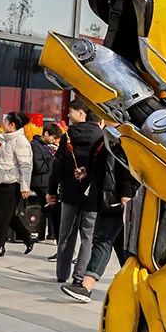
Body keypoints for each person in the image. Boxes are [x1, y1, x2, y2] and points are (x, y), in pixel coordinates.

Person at [61, 125, 136, 303]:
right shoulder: (105, 138)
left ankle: (86, 286)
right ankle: (137, 287)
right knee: (122, 248)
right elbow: (100, 166)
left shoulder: (124, 136)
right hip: (105, 197)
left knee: (102, 240)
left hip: (116, 199)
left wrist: (126, 193)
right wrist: (85, 172)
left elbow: (127, 166)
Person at [48, 100, 103, 282]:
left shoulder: (68, 135)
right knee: (88, 236)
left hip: (69, 192)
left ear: (82, 113)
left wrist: (51, 190)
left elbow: (57, 165)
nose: (69, 114)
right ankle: (79, 276)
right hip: (91, 194)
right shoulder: (100, 136)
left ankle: (61, 274)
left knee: (66, 234)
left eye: (71, 111)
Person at [0, 112, 36, 258]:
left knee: (3, 216)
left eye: (6, 122)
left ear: (12, 125)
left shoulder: (20, 141)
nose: (3, 124)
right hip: (4, 181)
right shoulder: (8, 141)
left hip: (13, 184)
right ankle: (27, 237)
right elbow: (8, 162)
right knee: (5, 213)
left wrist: (25, 187)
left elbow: (26, 166)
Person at [29, 123, 61, 239]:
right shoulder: (35, 145)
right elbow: (39, 167)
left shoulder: (46, 146)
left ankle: (48, 234)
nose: (54, 141)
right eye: (53, 137)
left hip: (47, 181)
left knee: (47, 208)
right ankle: (51, 234)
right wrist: (52, 158)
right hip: (41, 182)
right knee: (50, 207)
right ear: (46, 134)